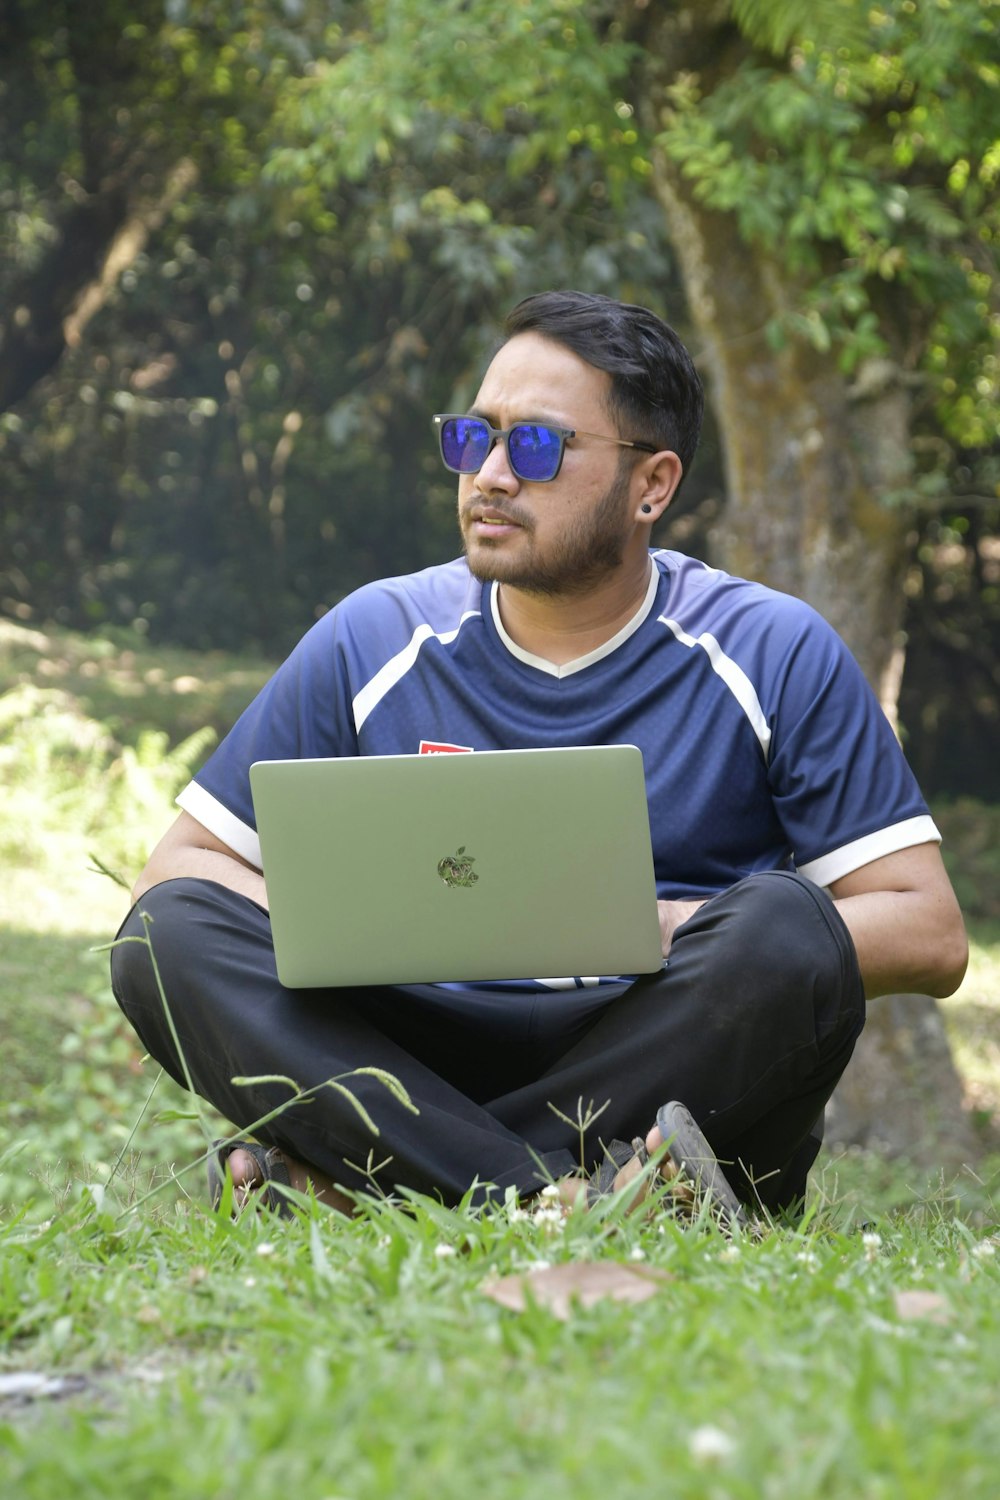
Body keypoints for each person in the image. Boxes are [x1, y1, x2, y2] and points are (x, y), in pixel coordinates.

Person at [110, 290, 968, 1221]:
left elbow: (929, 933)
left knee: (788, 927)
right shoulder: (375, 635)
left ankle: (382, 1180)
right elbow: (179, 868)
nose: (490, 475)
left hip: (653, 1046)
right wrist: (355, 917)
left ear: (653, 485)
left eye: (536, 447)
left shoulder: (773, 649)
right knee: (166, 932)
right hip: (414, 1041)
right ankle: (551, 1194)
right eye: (475, 438)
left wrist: (677, 923)